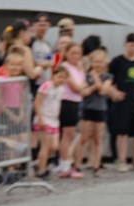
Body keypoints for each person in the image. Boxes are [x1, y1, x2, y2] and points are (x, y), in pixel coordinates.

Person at [109, 35, 134, 171]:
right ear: (125, 45)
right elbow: (109, 80)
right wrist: (114, 92)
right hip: (122, 102)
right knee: (122, 132)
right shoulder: (117, 61)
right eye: (131, 45)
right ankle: (122, 161)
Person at [78, 49, 114, 175]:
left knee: (98, 139)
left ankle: (96, 165)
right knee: (84, 138)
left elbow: (103, 91)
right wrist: (95, 85)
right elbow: (84, 92)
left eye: (100, 62)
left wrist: (95, 78)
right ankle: (77, 164)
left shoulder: (108, 77)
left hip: (100, 109)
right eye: (95, 62)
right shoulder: (85, 76)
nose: (98, 64)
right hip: (87, 109)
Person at [54, 42, 87, 178]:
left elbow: (83, 86)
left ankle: (66, 163)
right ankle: (65, 165)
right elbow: (77, 87)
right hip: (66, 101)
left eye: (78, 53)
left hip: (76, 102)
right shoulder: (65, 67)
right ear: (66, 53)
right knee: (67, 135)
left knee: (70, 134)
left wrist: (81, 87)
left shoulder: (79, 68)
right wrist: (81, 87)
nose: (75, 56)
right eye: (72, 53)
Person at [33, 60, 63, 177]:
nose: (61, 80)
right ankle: (42, 170)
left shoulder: (60, 89)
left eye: (64, 78)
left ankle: (39, 162)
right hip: (44, 118)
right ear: (53, 75)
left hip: (54, 120)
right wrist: (40, 117)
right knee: (45, 146)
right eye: (59, 77)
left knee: (54, 146)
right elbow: (37, 102)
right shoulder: (46, 86)